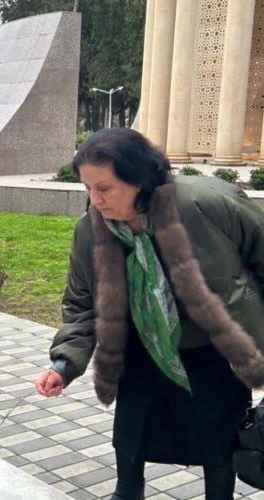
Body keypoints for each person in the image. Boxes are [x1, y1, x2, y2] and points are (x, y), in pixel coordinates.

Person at [34, 128, 264, 500]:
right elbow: (81, 303)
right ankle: (127, 493)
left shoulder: (203, 204)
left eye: (104, 188)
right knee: (132, 432)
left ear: (138, 179)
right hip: (143, 346)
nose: (95, 200)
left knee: (218, 436)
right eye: (87, 188)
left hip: (214, 346)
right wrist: (63, 364)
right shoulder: (90, 231)